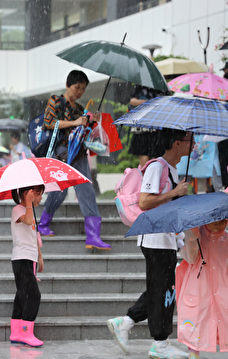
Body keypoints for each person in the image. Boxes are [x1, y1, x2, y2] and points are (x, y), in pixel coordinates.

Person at [107, 129, 192, 359]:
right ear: (176, 143)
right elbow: (145, 201)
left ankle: (125, 322)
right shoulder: (158, 167)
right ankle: (159, 343)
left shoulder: (173, 170)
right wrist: (175, 192)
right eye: (189, 139)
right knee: (164, 291)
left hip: (167, 239)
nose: (193, 143)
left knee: (162, 289)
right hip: (155, 239)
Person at [36, 70, 111, 250]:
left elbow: (82, 129)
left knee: (86, 190)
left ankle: (93, 235)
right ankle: (43, 224)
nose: (79, 92)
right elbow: (49, 123)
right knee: (59, 191)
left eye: (83, 89)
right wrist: (74, 123)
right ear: (68, 85)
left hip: (78, 153)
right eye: (77, 87)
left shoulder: (79, 108)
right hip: (60, 152)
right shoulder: (56, 100)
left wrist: (93, 121)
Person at [176, 219, 228, 359]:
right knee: (197, 319)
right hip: (199, 288)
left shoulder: (226, 240)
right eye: (215, 221)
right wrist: (192, 238)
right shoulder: (197, 237)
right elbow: (191, 258)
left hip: (222, 288)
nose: (220, 224)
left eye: (224, 220)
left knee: (223, 319)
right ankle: (193, 353)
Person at [9, 184, 45, 348]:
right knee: (33, 295)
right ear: (28, 194)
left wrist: (40, 257)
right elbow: (28, 220)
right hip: (21, 259)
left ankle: (16, 331)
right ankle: (26, 332)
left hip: (30, 259)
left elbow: (34, 236)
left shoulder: (30, 211)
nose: (40, 198)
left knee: (22, 295)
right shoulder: (18, 210)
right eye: (38, 194)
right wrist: (29, 202)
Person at [127, 85, 166, 167]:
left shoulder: (161, 88)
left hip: (156, 126)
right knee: (144, 153)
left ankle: (151, 175)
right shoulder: (139, 86)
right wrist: (145, 102)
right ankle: (145, 175)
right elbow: (131, 101)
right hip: (142, 126)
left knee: (158, 155)